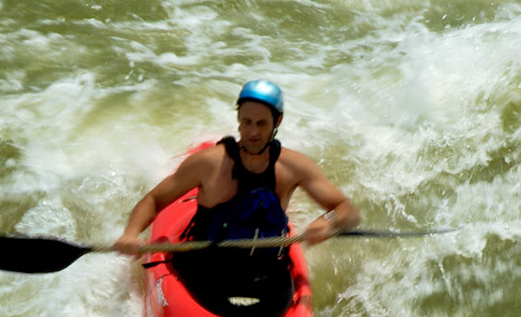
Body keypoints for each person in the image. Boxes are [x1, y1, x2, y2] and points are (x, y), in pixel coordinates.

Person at [112, 79, 361, 256]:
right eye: (246, 122)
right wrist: (131, 233)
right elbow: (154, 200)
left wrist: (328, 222)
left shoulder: (293, 166)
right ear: (239, 119)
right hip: (206, 266)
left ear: (278, 121)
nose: (252, 132)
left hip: (265, 272)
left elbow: (347, 210)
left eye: (261, 124)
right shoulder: (209, 163)